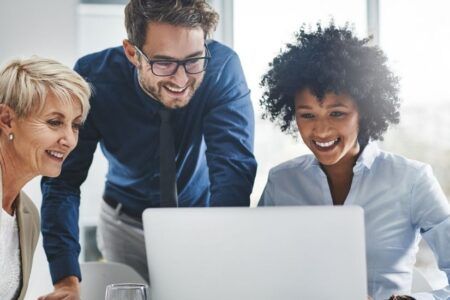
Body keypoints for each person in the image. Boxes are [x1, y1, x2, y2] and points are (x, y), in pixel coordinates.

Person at [40, 0, 257, 298]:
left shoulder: (221, 69)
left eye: (194, 60)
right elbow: (62, 182)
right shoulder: (94, 77)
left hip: (201, 220)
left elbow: (233, 169)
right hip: (123, 223)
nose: (181, 79)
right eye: (164, 63)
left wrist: (220, 253)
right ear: (132, 53)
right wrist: (65, 277)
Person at [258, 23, 450, 300]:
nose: (321, 131)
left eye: (337, 113)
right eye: (307, 115)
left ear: (365, 112)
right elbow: (259, 268)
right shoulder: (281, 181)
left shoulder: (412, 179)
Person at [0, 57, 90, 300]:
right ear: (7, 120)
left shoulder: (27, 214)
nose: (70, 140)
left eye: (75, 125)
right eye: (54, 122)